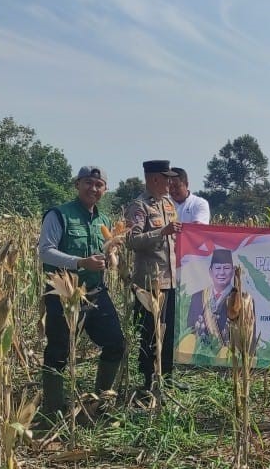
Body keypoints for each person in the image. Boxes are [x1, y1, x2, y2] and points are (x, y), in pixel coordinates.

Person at [37, 166, 126, 418]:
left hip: (95, 292)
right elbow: (45, 251)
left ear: (105, 189)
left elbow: (108, 253)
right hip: (64, 293)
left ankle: (100, 403)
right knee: (58, 351)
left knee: (116, 343)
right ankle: (53, 409)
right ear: (77, 184)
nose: (93, 189)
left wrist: (111, 257)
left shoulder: (104, 221)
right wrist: (80, 262)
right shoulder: (59, 215)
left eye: (99, 185)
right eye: (88, 183)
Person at [125, 159, 181, 392]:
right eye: (167, 178)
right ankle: (148, 380)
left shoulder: (168, 203)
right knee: (150, 333)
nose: (171, 183)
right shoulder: (139, 207)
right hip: (150, 282)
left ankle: (166, 376)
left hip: (170, 279)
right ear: (155, 179)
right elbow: (131, 241)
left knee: (168, 332)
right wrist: (161, 232)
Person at [185, 249, 235, 345]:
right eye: (218, 268)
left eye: (226, 268)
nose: (222, 272)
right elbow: (190, 331)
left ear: (233, 272)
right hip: (202, 351)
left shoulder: (241, 299)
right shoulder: (197, 298)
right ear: (210, 271)